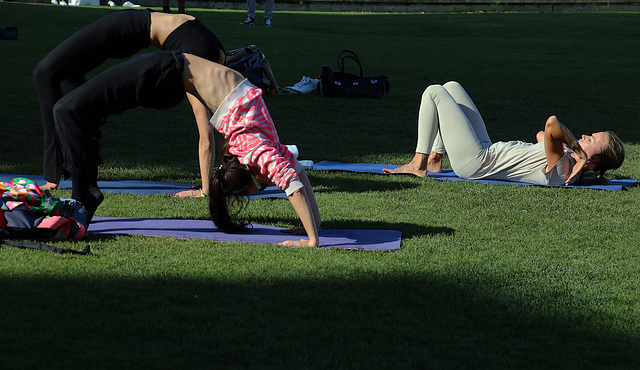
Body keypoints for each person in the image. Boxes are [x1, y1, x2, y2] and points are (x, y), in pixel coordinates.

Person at [53, 50, 321, 247]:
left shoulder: (253, 144)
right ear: (251, 173)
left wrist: (313, 228)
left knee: (78, 107)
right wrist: (312, 238)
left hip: (170, 70)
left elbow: (297, 175)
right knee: (73, 108)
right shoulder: (259, 150)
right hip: (167, 68)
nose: (269, 183)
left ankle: (83, 182)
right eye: (261, 187)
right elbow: (294, 184)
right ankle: (83, 185)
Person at [33, 9, 225, 198]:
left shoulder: (215, 58)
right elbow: (207, 136)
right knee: (44, 73)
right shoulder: (201, 64)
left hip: (134, 29)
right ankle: (54, 172)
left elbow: (221, 127)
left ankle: (82, 162)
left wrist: (215, 178)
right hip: (121, 26)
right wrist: (206, 189)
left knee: (71, 77)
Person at [383, 81, 625, 186]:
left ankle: (419, 162)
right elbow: (542, 135)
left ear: (592, 159)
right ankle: (435, 160)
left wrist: (576, 151)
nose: (583, 137)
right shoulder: (566, 159)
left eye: (590, 141)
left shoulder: (564, 169)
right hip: (487, 150)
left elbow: (551, 124)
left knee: (433, 92)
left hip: (476, 162)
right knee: (451, 87)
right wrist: (571, 150)